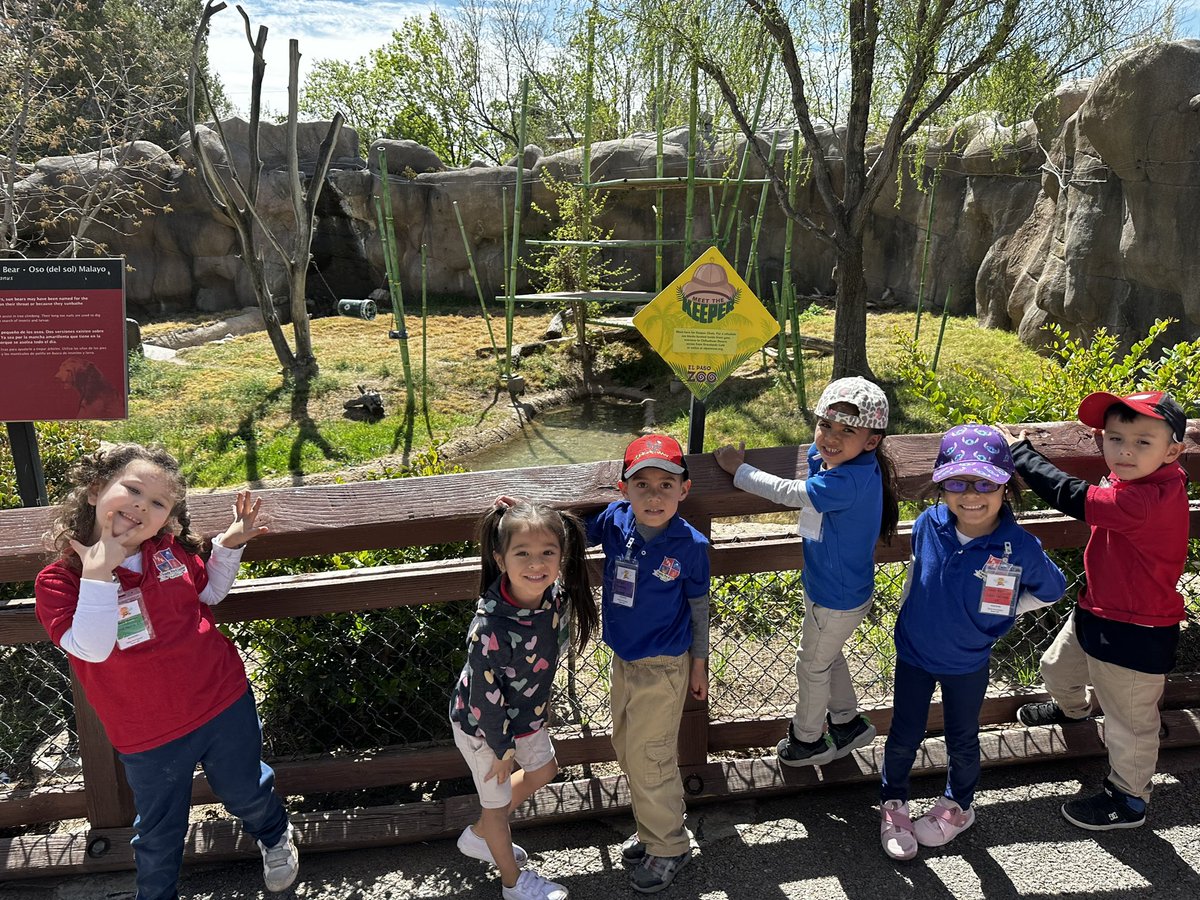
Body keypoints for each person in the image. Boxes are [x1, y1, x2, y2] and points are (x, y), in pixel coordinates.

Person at [34, 444, 298, 899]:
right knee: (158, 829)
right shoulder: (61, 581)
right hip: (146, 730)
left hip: (221, 700)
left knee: (244, 790)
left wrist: (229, 544)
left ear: (167, 519)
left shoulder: (169, 551)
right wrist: (99, 575)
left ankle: (275, 835)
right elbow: (91, 650)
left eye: (158, 503)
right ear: (96, 490)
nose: (141, 505)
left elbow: (209, 593)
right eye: (132, 489)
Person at [879, 425, 1066, 861]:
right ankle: (893, 804)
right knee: (903, 734)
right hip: (914, 653)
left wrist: (1003, 613)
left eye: (985, 483)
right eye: (958, 483)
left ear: (1006, 486)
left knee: (963, 737)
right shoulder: (928, 523)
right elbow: (917, 575)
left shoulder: (1018, 546)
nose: (971, 495)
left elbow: (1052, 589)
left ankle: (958, 807)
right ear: (942, 484)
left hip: (967, 660)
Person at [1005, 391, 1189, 831]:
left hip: (1136, 630)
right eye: (1114, 437)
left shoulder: (1149, 499)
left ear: (1173, 451)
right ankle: (1072, 709)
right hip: (1099, 609)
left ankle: (1128, 798)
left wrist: (1020, 453)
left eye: (1143, 442)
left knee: (1130, 723)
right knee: (1055, 668)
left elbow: (1072, 496)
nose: (1125, 450)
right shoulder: (1132, 479)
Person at [714, 377, 899, 766]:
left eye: (847, 430)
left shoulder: (844, 481)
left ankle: (808, 740)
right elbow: (820, 463)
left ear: (872, 440)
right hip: (840, 590)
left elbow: (787, 492)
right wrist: (826, 451)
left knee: (811, 665)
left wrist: (739, 469)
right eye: (825, 425)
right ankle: (847, 722)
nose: (831, 437)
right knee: (826, 656)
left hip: (833, 597)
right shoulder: (857, 466)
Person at [450, 501, 598, 900]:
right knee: (497, 805)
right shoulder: (489, 628)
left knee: (544, 769)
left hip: (524, 716)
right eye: (522, 554)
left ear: (562, 557)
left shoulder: (552, 595)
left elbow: (535, 533)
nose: (536, 564)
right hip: (485, 729)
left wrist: (515, 510)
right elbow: (485, 696)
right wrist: (502, 749)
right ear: (500, 560)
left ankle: (482, 833)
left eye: (547, 553)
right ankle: (513, 882)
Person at [586, 434, 710, 894]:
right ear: (623, 489)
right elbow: (567, 534)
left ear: (684, 489)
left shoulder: (690, 544)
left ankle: (669, 846)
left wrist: (699, 664)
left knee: (651, 757)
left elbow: (699, 606)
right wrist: (523, 513)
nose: (653, 495)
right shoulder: (616, 522)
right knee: (627, 746)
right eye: (642, 484)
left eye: (665, 484)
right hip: (624, 658)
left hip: (664, 664)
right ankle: (653, 832)